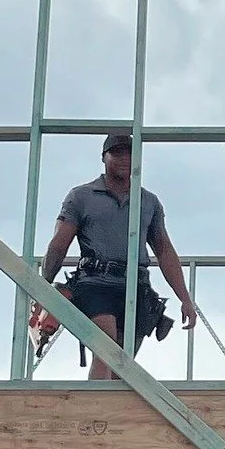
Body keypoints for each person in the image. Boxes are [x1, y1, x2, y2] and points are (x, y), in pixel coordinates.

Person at [40, 133, 198, 378]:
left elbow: (164, 251)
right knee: (107, 349)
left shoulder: (148, 202)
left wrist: (185, 299)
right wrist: (43, 285)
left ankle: (106, 411)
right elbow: (60, 242)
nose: (124, 158)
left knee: (122, 364)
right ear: (104, 158)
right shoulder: (82, 196)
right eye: (117, 153)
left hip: (136, 286)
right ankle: (95, 414)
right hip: (95, 283)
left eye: (130, 153)